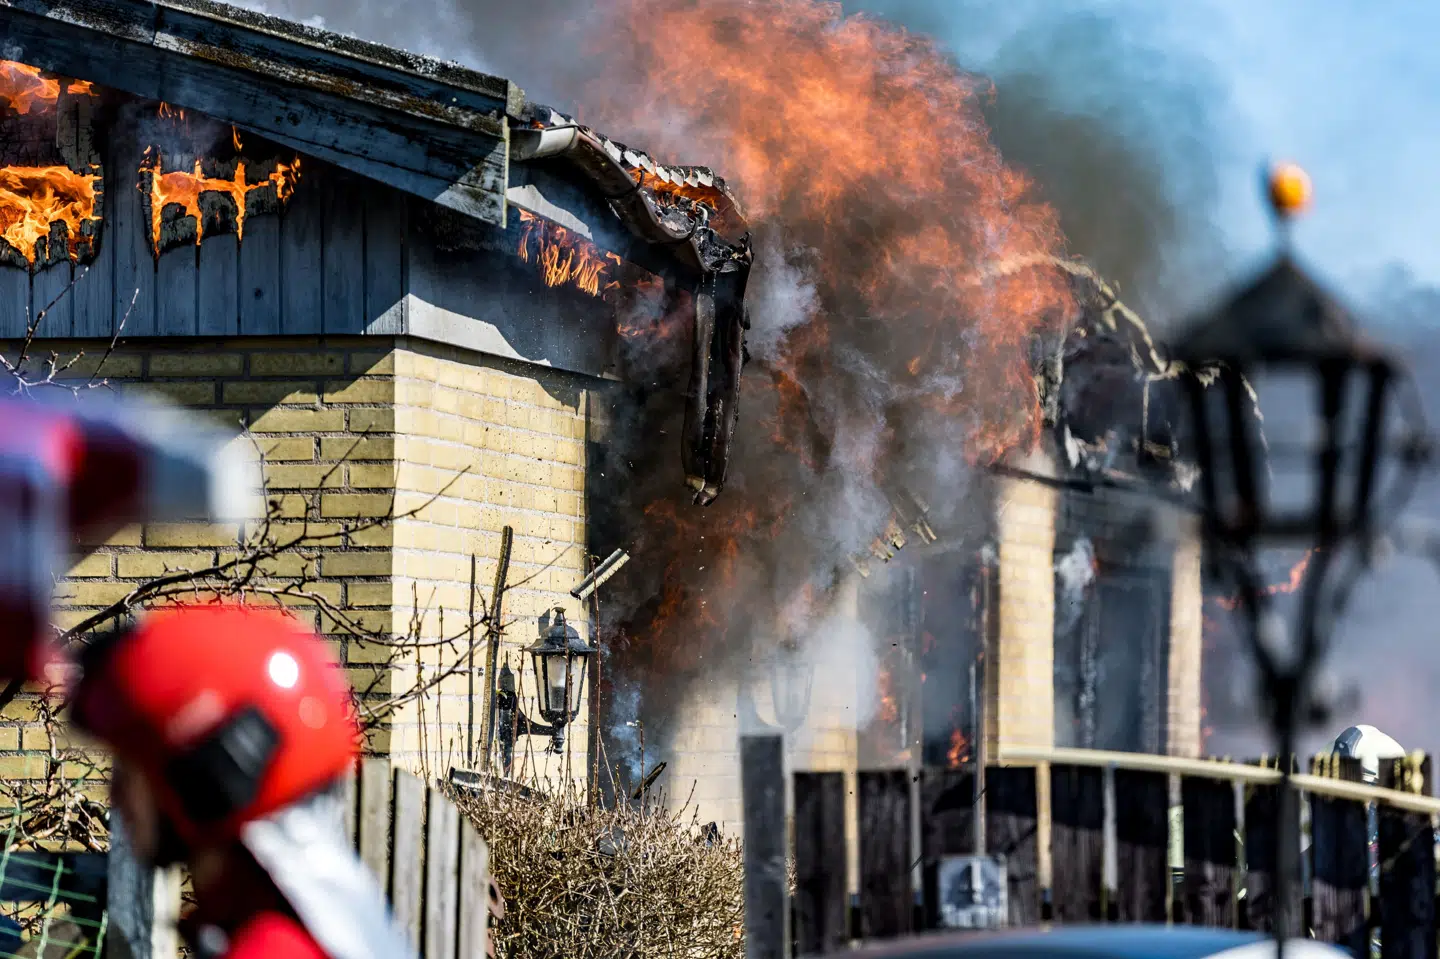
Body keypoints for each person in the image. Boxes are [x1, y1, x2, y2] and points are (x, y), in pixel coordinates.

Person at [69, 603, 414, 959]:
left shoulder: (266, 950)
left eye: (130, 769)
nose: (113, 793)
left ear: (212, 776)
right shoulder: (334, 922)